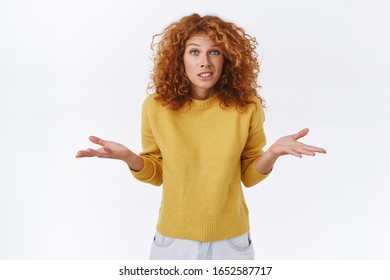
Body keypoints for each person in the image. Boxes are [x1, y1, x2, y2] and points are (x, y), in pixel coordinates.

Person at [76, 13, 326, 260]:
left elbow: (249, 175)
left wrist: (272, 153)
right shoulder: (155, 106)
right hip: (174, 243)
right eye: (194, 52)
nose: (205, 62)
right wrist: (128, 157)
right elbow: (156, 173)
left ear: (227, 58)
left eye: (214, 52)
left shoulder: (246, 107)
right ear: (179, 59)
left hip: (232, 243)